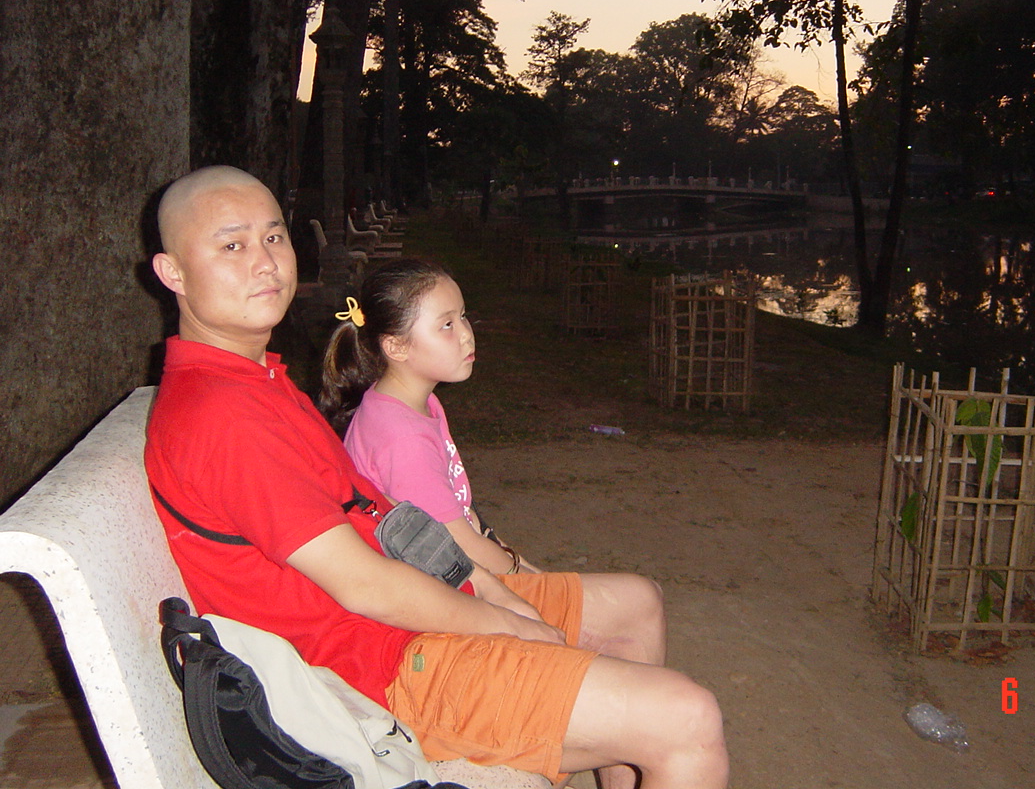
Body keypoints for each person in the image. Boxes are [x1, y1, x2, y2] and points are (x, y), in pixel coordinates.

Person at [144, 166, 728, 789]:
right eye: (232, 246)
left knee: (637, 606)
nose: (265, 263)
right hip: (379, 668)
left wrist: (490, 587)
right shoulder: (222, 416)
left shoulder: (258, 381)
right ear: (172, 273)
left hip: (404, 622)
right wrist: (509, 624)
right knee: (686, 719)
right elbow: (362, 585)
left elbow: (386, 517)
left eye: (273, 237)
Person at [318, 259, 537, 577]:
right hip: (441, 586)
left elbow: (467, 520)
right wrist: (533, 584)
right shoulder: (403, 438)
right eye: (447, 325)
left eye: (463, 316)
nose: (467, 335)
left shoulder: (416, 402)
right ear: (396, 346)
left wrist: (531, 570)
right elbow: (459, 545)